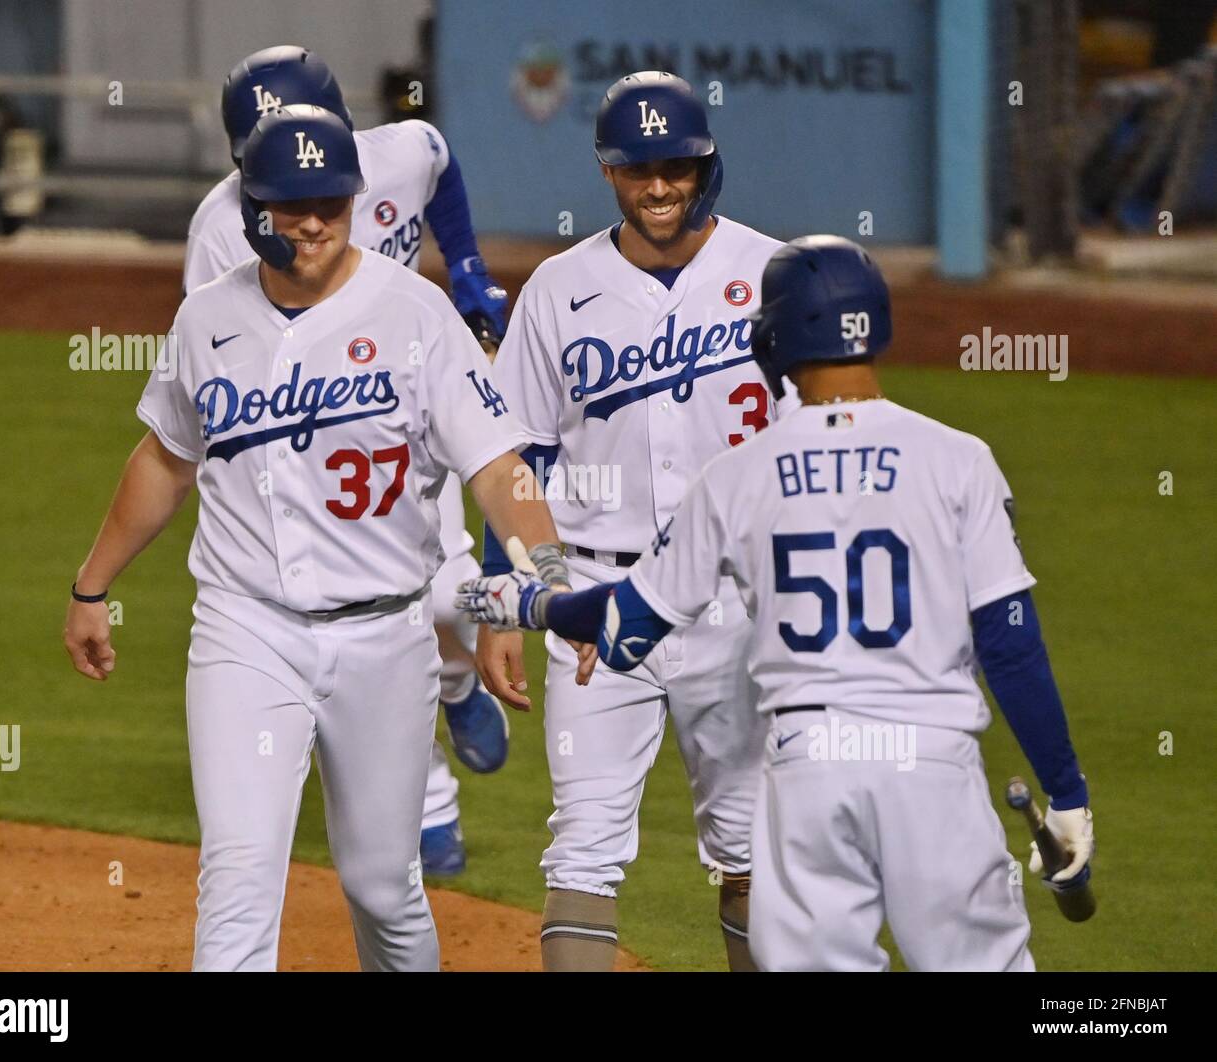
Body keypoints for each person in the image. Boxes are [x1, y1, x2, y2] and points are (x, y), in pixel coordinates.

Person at [458, 235, 1095, 971]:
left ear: (772, 337)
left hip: (808, 777)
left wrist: (528, 605)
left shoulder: (735, 477)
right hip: (933, 767)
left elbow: (626, 629)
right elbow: (1009, 644)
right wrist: (1067, 792)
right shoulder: (959, 460)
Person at [63, 105, 564, 971]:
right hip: (245, 632)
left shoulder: (417, 315)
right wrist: (91, 586)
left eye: (332, 202)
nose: (313, 222)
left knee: (382, 888)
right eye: (291, 204)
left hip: (386, 638)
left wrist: (539, 580)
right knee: (239, 874)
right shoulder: (207, 320)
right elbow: (165, 459)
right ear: (249, 206)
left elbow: (499, 468)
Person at [478, 71, 798, 971]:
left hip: (736, 603)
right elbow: (518, 459)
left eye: (678, 167)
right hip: (590, 595)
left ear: (707, 163)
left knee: (752, 844)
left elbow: (815, 448)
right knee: (582, 841)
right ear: (605, 172)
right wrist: (526, 593)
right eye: (637, 170)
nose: (660, 188)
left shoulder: (773, 275)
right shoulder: (555, 289)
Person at [185, 45, 511, 876]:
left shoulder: (395, 155)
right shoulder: (221, 224)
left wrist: (466, 267)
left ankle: (458, 682)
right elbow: (215, 353)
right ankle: (432, 806)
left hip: (407, 398)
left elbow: (441, 162)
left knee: (444, 597)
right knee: (365, 615)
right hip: (317, 431)